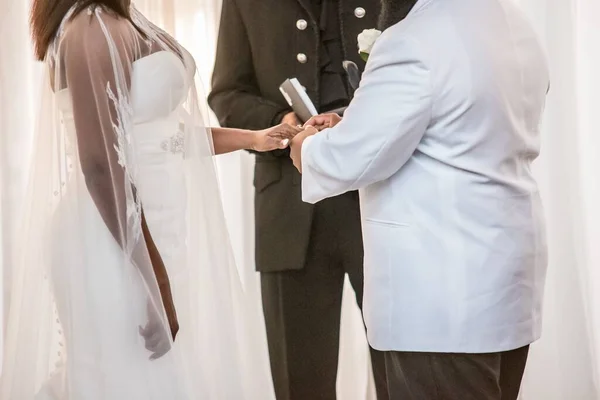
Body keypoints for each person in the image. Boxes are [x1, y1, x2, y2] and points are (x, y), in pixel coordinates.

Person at [0, 1, 300, 399]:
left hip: (153, 232)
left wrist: (257, 137)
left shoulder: (124, 18)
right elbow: (101, 165)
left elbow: (165, 138)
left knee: (155, 376)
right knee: (123, 379)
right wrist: (153, 275)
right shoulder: (90, 27)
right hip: (110, 240)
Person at [290, 0, 550, 398]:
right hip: (507, 280)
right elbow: (459, 122)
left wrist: (306, 145)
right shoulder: (515, 23)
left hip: (440, 295)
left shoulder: (413, 39)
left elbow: (350, 159)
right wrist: (358, 122)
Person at [208, 1, 389, 398]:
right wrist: (280, 120)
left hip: (378, 200)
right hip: (287, 207)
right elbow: (226, 94)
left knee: (402, 366)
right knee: (300, 382)